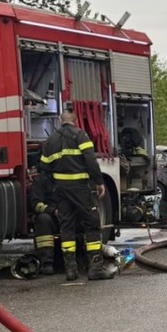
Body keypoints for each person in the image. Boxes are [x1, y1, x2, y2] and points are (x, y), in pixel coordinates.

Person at [40, 108, 110, 281]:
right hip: (80, 189)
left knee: (66, 228)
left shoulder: (50, 141)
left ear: (59, 120)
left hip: (61, 191)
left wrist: (55, 185)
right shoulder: (81, 135)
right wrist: (99, 182)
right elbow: (91, 161)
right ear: (75, 120)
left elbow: (44, 169)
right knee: (92, 223)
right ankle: (95, 269)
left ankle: (71, 270)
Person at [27, 165, 58, 276]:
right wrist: (53, 211)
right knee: (43, 220)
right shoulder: (40, 180)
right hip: (50, 217)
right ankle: (46, 262)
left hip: (67, 215)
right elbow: (36, 204)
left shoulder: (67, 179)